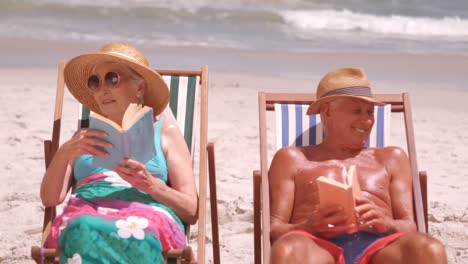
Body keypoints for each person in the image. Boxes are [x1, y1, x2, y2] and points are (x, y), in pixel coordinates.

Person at [269, 68, 447, 264]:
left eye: (370, 112)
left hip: (379, 248)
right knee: (288, 250)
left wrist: (386, 223)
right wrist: (307, 226)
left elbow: (409, 225)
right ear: (327, 111)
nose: (367, 120)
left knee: (429, 249)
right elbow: (274, 230)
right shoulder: (294, 159)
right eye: (357, 111)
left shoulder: (390, 158)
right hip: (317, 247)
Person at [40, 43, 198, 263]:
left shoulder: (166, 133)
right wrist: (64, 152)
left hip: (147, 213)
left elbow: (191, 209)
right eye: (95, 82)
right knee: (81, 226)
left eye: (112, 79)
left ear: (140, 88)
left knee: (139, 230)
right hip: (87, 211)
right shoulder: (82, 137)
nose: (102, 88)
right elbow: (50, 198)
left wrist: (151, 185)